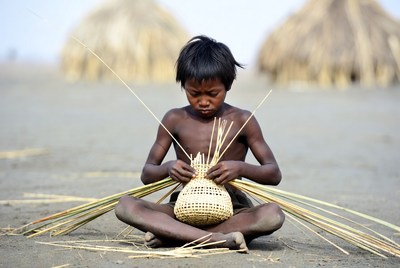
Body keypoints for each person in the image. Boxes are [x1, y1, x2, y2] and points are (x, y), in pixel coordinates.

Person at [115, 35, 284, 252]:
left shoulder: (243, 120)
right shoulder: (174, 119)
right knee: (126, 206)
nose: (203, 101)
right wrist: (168, 168)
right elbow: (147, 174)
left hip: (232, 209)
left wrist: (240, 168)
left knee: (272, 215)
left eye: (213, 94)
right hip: (183, 207)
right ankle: (217, 240)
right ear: (183, 85)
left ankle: (176, 236)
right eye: (194, 94)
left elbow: (273, 173)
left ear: (228, 85)